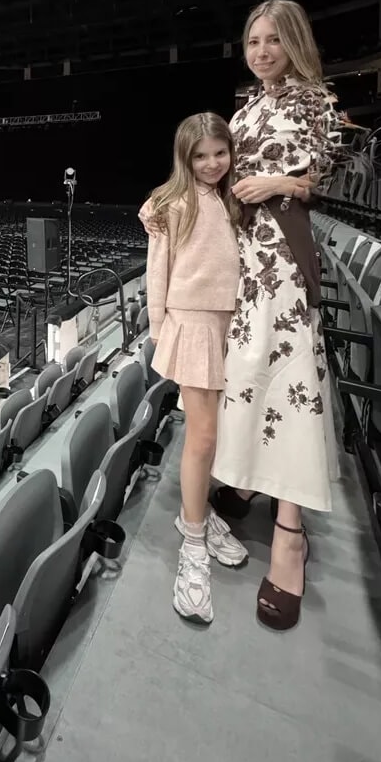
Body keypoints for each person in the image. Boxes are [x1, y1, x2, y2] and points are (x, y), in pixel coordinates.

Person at [213, 0, 342, 632]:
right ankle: (244, 481)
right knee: (246, 376)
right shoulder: (246, 109)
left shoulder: (315, 100)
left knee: (289, 387)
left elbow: (330, 179)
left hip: (284, 261)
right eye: (252, 40)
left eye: (272, 40)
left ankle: (289, 532)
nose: (261, 50)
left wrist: (279, 186)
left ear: (293, 41)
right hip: (243, 259)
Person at [138, 112, 246, 624]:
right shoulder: (173, 202)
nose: (210, 163)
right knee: (201, 437)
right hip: (194, 324)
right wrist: (161, 330)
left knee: (216, 434)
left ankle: (197, 513)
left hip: (230, 324)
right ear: (185, 158)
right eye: (199, 156)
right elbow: (156, 270)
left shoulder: (230, 198)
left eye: (218, 153)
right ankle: (193, 542)